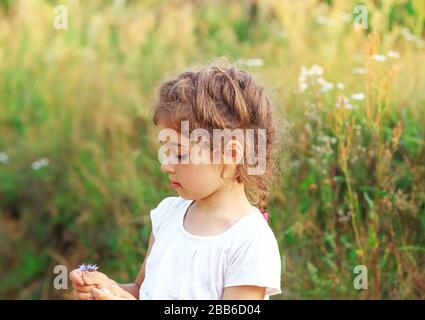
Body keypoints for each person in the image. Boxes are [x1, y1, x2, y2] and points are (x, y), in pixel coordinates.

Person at [70, 63, 284, 300]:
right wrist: (110, 290)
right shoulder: (168, 215)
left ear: (231, 155)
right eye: (165, 150)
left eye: (179, 153)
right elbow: (143, 291)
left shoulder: (249, 241)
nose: (166, 164)